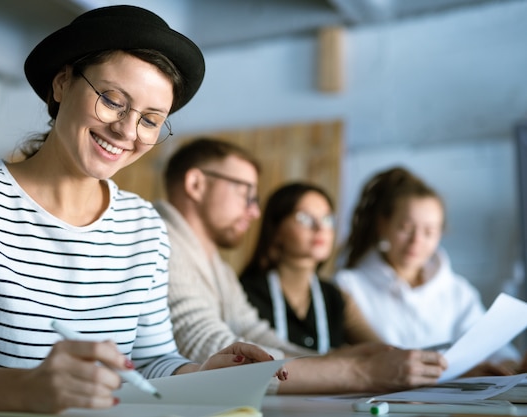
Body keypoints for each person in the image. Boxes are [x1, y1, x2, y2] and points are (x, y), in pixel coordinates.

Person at [0, 7, 280, 416]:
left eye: (151, 121)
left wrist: (205, 376)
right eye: (112, 101)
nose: (126, 131)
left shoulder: (143, 228)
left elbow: (150, 363)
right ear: (62, 83)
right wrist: (25, 389)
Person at [154, 138, 448, 395]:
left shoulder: (216, 265)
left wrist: (331, 361)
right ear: (196, 184)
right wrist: (362, 371)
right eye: (246, 193)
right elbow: (210, 351)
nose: (255, 211)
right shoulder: (161, 239)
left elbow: (252, 333)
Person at [333, 166, 524, 374]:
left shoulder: (457, 290)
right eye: (406, 228)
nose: (416, 241)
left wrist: (511, 365)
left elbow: (492, 347)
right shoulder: (347, 286)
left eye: (429, 232)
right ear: (383, 225)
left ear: (441, 233)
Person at [239, 182, 381, 353]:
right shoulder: (242, 293)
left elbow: (382, 350)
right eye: (304, 218)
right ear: (275, 229)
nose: (320, 228)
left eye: (327, 219)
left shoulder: (336, 297)